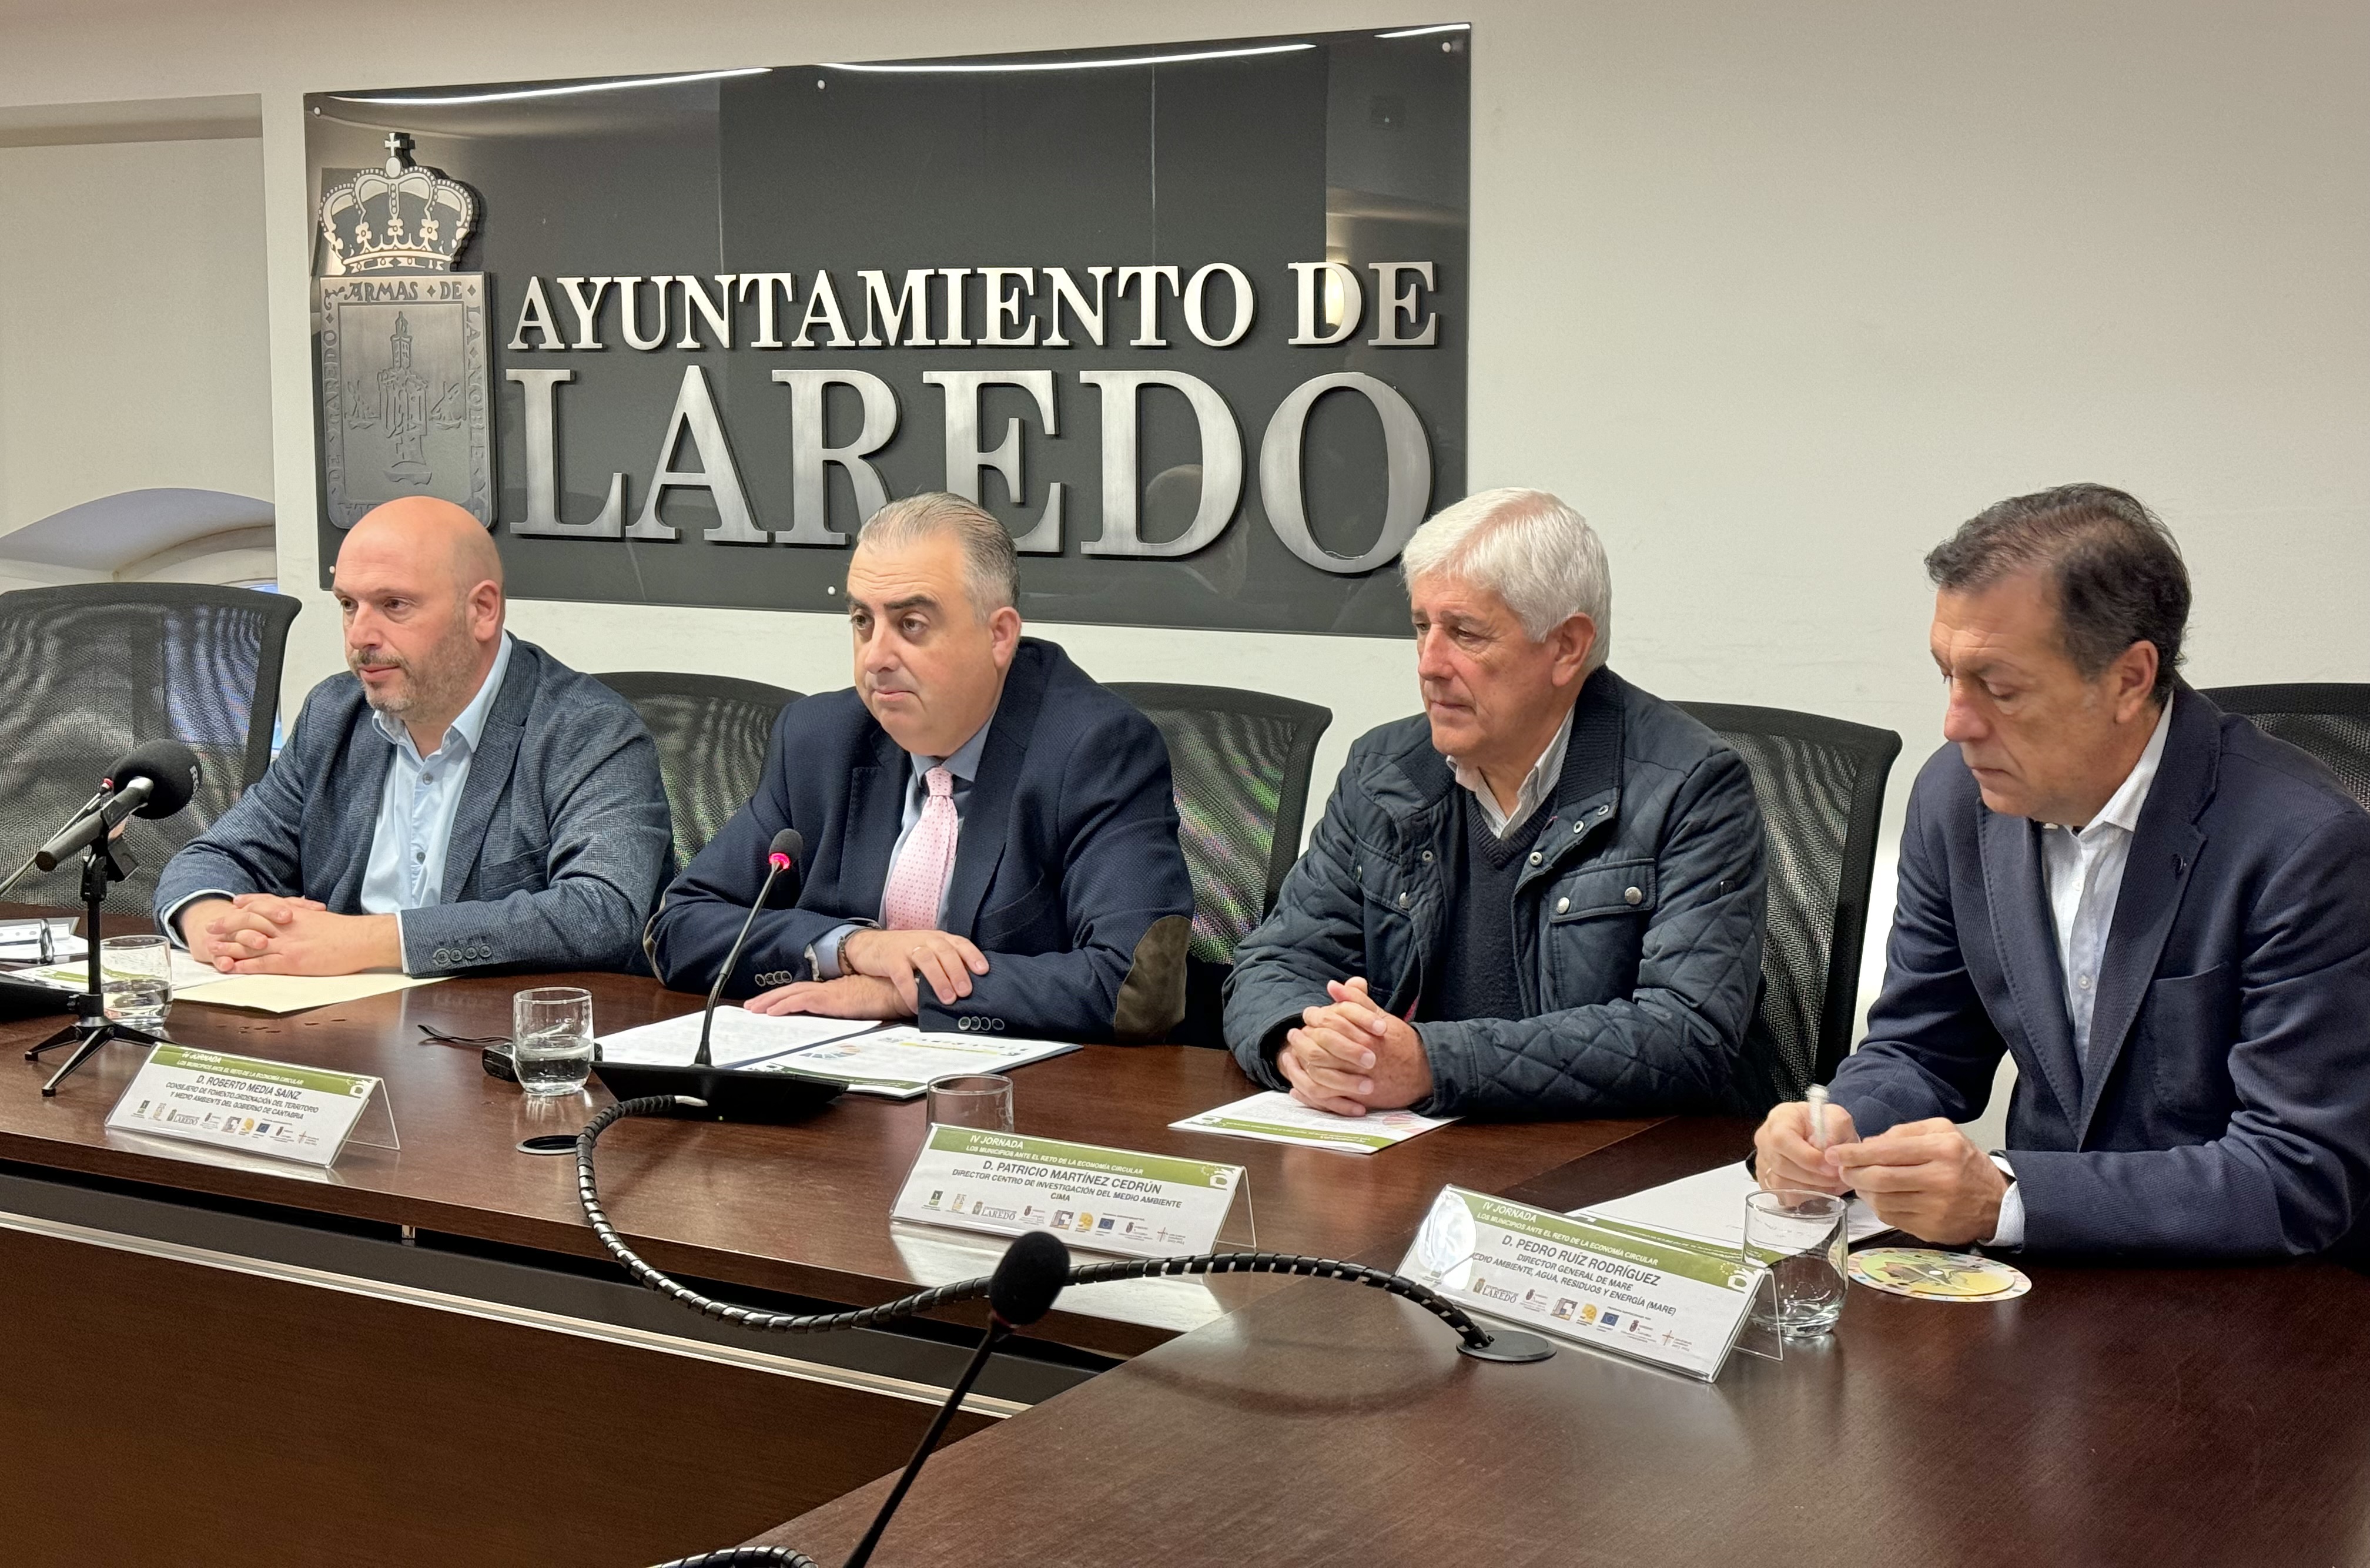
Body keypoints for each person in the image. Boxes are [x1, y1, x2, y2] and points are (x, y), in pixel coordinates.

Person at [1756, 485, 2370, 1258]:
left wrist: (2010, 1198)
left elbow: (2296, 1174)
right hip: (2039, 1282)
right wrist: (1839, 1125)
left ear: (2129, 679)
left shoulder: (2305, 844)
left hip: (2253, 1292)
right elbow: (1922, 1045)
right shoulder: (1955, 799)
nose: (1956, 723)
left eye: (2001, 688)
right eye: (1948, 675)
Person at [1221, 488, 1768, 1118]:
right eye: (1422, 627)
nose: (1430, 664)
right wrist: (1301, 1042)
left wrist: (1432, 1063)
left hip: (1605, 1154)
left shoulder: (1691, 786)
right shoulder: (1386, 771)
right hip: (1415, 1144)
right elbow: (1277, 958)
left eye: (1465, 633)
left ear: (1567, 647)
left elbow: (1686, 1033)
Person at [647, 492, 1194, 1042]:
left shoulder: (1096, 750)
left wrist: (908, 991)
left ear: (999, 635)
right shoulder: (819, 739)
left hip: (1013, 1088)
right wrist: (852, 947)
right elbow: (678, 927)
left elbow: (1138, 987)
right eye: (863, 621)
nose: (875, 658)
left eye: (911, 624)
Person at [155, 496, 672, 976]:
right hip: (337, 1020)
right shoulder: (335, 714)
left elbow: (602, 911)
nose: (360, 636)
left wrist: (364, 942)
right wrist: (216, 927)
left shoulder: (587, 730)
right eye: (348, 605)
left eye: (395, 605)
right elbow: (217, 857)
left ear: (482, 610)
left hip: (500, 1029)